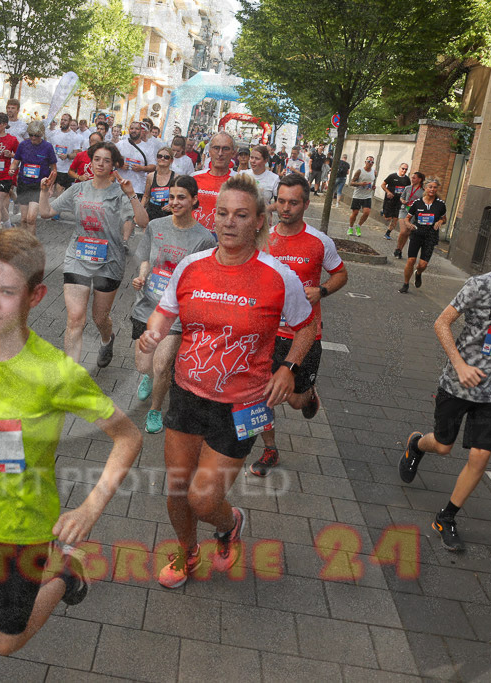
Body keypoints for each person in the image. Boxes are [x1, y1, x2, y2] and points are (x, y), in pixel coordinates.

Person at [0, 229, 141, 682]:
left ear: (35, 296)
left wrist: (91, 506)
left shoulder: (56, 374)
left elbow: (128, 438)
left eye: (6, 293)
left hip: (23, 528)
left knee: (2, 643)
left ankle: (66, 575)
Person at [138, 173, 315, 589]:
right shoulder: (191, 266)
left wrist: (288, 367)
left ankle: (229, 522)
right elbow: (165, 311)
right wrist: (153, 331)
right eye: (222, 213)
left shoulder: (277, 276)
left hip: (243, 405)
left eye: (241, 215)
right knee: (178, 491)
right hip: (188, 394)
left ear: (258, 222)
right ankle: (187, 553)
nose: (229, 222)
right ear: (211, 216)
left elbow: (306, 326)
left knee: (204, 500)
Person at [398, 217, 491, 551]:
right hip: (458, 383)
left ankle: (446, 517)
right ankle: (416, 445)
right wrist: (460, 365)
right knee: (444, 445)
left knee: (480, 457)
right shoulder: (480, 285)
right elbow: (442, 323)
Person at [250, 174, 348, 476]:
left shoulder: (320, 242)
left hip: (304, 334)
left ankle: (308, 394)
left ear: (306, 204)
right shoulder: (262, 236)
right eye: (281, 201)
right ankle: (270, 450)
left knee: (294, 400)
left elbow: (341, 274)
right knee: (261, 393)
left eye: (293, 202)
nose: (285, 208)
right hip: (266, 332)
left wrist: (321, 291)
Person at [38, 141, 148, 365]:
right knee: (75, 319)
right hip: (78, 257)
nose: (101, 164)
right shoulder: (78, 189)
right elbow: (46, 212)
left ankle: (107, 339)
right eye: (97, 159)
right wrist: (43, 192)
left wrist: (131, 195)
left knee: (99, 318)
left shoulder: (120, 193)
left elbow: (143, 222)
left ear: (113, 165)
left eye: (107, 160)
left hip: (109, 261)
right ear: (91, 161)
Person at [130, 176, 216, 434]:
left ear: (194, 200)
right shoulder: (156, 226)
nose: (175, 202)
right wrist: (142, 276)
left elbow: (203, 279)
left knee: (161, 365)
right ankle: (149, 377)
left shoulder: (204, 239)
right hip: (147, 304)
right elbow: (146, 258)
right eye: (171, 197)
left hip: (176, 313)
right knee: (145, 366)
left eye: (181, 197)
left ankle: (156, 410)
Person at [399, 177, 446, 293]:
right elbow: (407, 218)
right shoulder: (417, 203)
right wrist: (408, 224)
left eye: (435, 187)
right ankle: (405, 284)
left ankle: (418, 273)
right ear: (425, 188)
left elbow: (444, 219)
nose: (432, 189)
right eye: (430, 187)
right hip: (417, 233)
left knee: (423, 264)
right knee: (411, 260)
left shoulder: (440, 204)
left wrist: (440, 222)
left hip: (431, 236)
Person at [11, 120, 57, 236]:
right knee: (23, 219)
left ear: (41, 134)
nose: (33, 138)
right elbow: (16, 161)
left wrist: (51, 186)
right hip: (24, 184)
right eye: (31, 135)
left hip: (39, 186)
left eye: (36, 136)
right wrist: (12, 169)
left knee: (31, 218)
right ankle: (23, 241)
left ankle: (32, 245)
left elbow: (54, 169)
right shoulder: (23, 145)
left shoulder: (47, 147)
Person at [191, 131, 235, 232]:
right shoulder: (194, 178)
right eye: (216, 148)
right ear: (209, 151)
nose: (220, 153)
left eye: (225, 149)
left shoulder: (239, 182)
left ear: (233, 153)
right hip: (193, 238)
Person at [114, 121, 155, 198]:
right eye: (132, 128)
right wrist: (119, 165)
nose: (134, 131)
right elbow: (111, 160)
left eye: (137, 129)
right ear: (129, 130)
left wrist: (142, 168)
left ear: (141, 131)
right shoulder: (120, 144)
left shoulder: (147, 148)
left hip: (138, 189)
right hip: (120, 186)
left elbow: (153, 166)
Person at [50, 113, 82, 199]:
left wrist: (67, 156)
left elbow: (77, 154)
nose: (63, 122)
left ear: (69, 122)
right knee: (49, 191)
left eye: (65, 120)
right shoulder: (54, 133)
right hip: (53, 166)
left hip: (65, 169)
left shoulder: (74, 137)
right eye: (62, 120)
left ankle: (56, 211)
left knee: (59, 189)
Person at [394, 171, 425, 258]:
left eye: (414, 178)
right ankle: (397, 248)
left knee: (407, 233)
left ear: (419, 179)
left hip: (413, 214)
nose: (412, 179)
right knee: (403, 231)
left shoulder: (423, 191)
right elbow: (401, 197)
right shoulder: (407, 188)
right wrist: (403, 201)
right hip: (404, 211)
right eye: (412, 177)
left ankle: (400, 250)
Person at [240, 144, 279, 211]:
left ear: (265, 160)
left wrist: (263, 210)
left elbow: (279, 203)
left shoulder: (274, 178)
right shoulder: (242, 174)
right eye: (251, 158)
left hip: (263, 218)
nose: (253, 161)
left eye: (257, 159)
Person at [142, 146, 176, 222]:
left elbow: (179, 199)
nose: (162, 158)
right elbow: (146, 196)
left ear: (171, 160)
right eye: (159, 156)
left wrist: (172, 207)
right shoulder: (150, 176)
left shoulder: (176, 177)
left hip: (168, 214)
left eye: (166, 157)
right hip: (152, 212)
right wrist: (140, 211)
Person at [381, 162, 411, 240]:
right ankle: (383, 211)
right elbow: (383, 185)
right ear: (399, 168)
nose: (404, 170)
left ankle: (388, 233)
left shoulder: (407, 179)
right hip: (390, 200)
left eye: (406, 169)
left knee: (395, 218)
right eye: (403, 168)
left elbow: (408, 189)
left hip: (399, 201)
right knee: (388, 218)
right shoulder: (392, 176)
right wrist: (388, 192)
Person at [347, 155, 376, 236]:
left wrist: (373, 187)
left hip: (367, 195)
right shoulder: (360, 171)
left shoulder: (374, 172)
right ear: (365, 162)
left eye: (372, 162)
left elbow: (373, 182)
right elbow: (351, 182)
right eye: (369, 161)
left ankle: (358, 226)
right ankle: (350, 227)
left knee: (367, 212)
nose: (370, 163)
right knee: (355, 213)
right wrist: (360, 184)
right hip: (358, 195)